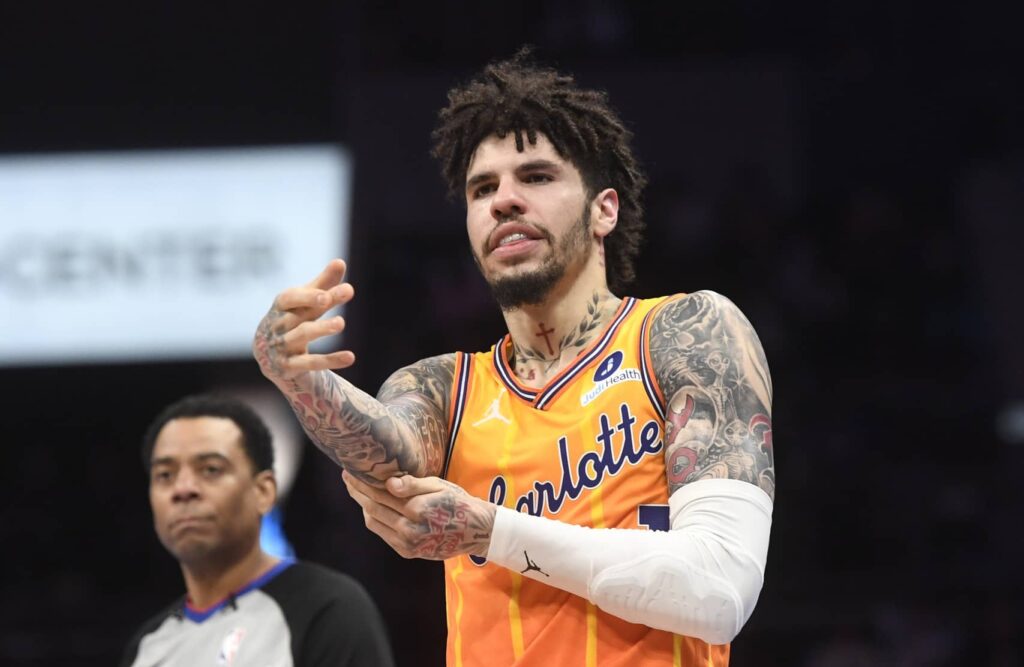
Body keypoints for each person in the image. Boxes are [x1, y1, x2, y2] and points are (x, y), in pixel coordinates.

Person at [253, 50, 775, 666]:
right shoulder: (444, 387)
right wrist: (293, 375)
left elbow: (718, 589)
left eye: (536, 177)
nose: (504, 201)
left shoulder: (685, 333)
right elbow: (385, 445)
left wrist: (491, 531)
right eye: (483, 189)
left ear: (604, 208)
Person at [121, 394, 394, 667]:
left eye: (210, 469)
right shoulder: (148, 645)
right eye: (165, 475)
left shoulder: (328, 609)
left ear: (263, 491)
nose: (183, 489)